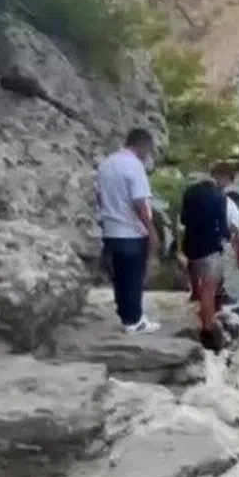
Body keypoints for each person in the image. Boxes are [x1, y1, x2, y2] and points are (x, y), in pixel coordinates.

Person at [95, 128, 161, 334]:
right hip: (131, 232)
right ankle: (135, 321)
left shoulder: (106, 164)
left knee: (120, 278)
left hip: (110, 230)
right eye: (149, 150)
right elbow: (140, 202)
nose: (148, 155)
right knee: (133, 277)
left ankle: (126, 316)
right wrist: (152, 231)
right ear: (144, 146)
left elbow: (99, 197)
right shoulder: (134, 166)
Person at [179, 162, 239, 349]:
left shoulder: (190, 191)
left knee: (198, 279)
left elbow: (183, 219)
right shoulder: (219, 197)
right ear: (223, 178)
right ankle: (208, 326)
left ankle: (197, 303)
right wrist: (227, 239)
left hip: (190, 245)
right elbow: (222, 228)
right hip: (209, 248)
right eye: (228, 180)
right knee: (209, 289)